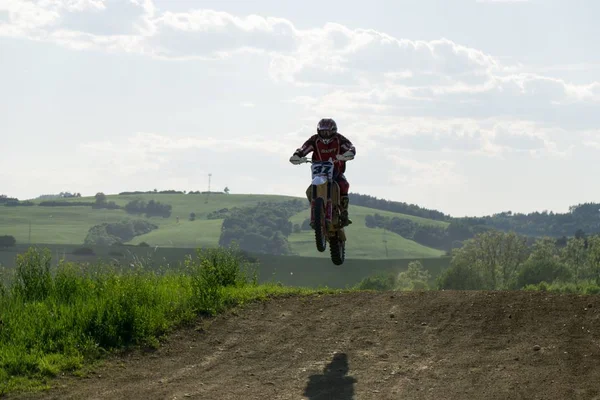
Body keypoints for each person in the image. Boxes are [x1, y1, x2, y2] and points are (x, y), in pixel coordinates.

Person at [289, 118, 356, 226]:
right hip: (318, 171)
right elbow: (304, 148)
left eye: (328, 132)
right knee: (309, 190)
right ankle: (316, 212)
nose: (325, 134)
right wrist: (298, 155)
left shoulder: (339, 139)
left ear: (334, 131)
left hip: (335, 170)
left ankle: (344, 212)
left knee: (344, 185)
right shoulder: (314, 140)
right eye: (323, 132)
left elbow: (350, 147)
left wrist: (348, 153)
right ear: (318, 131)